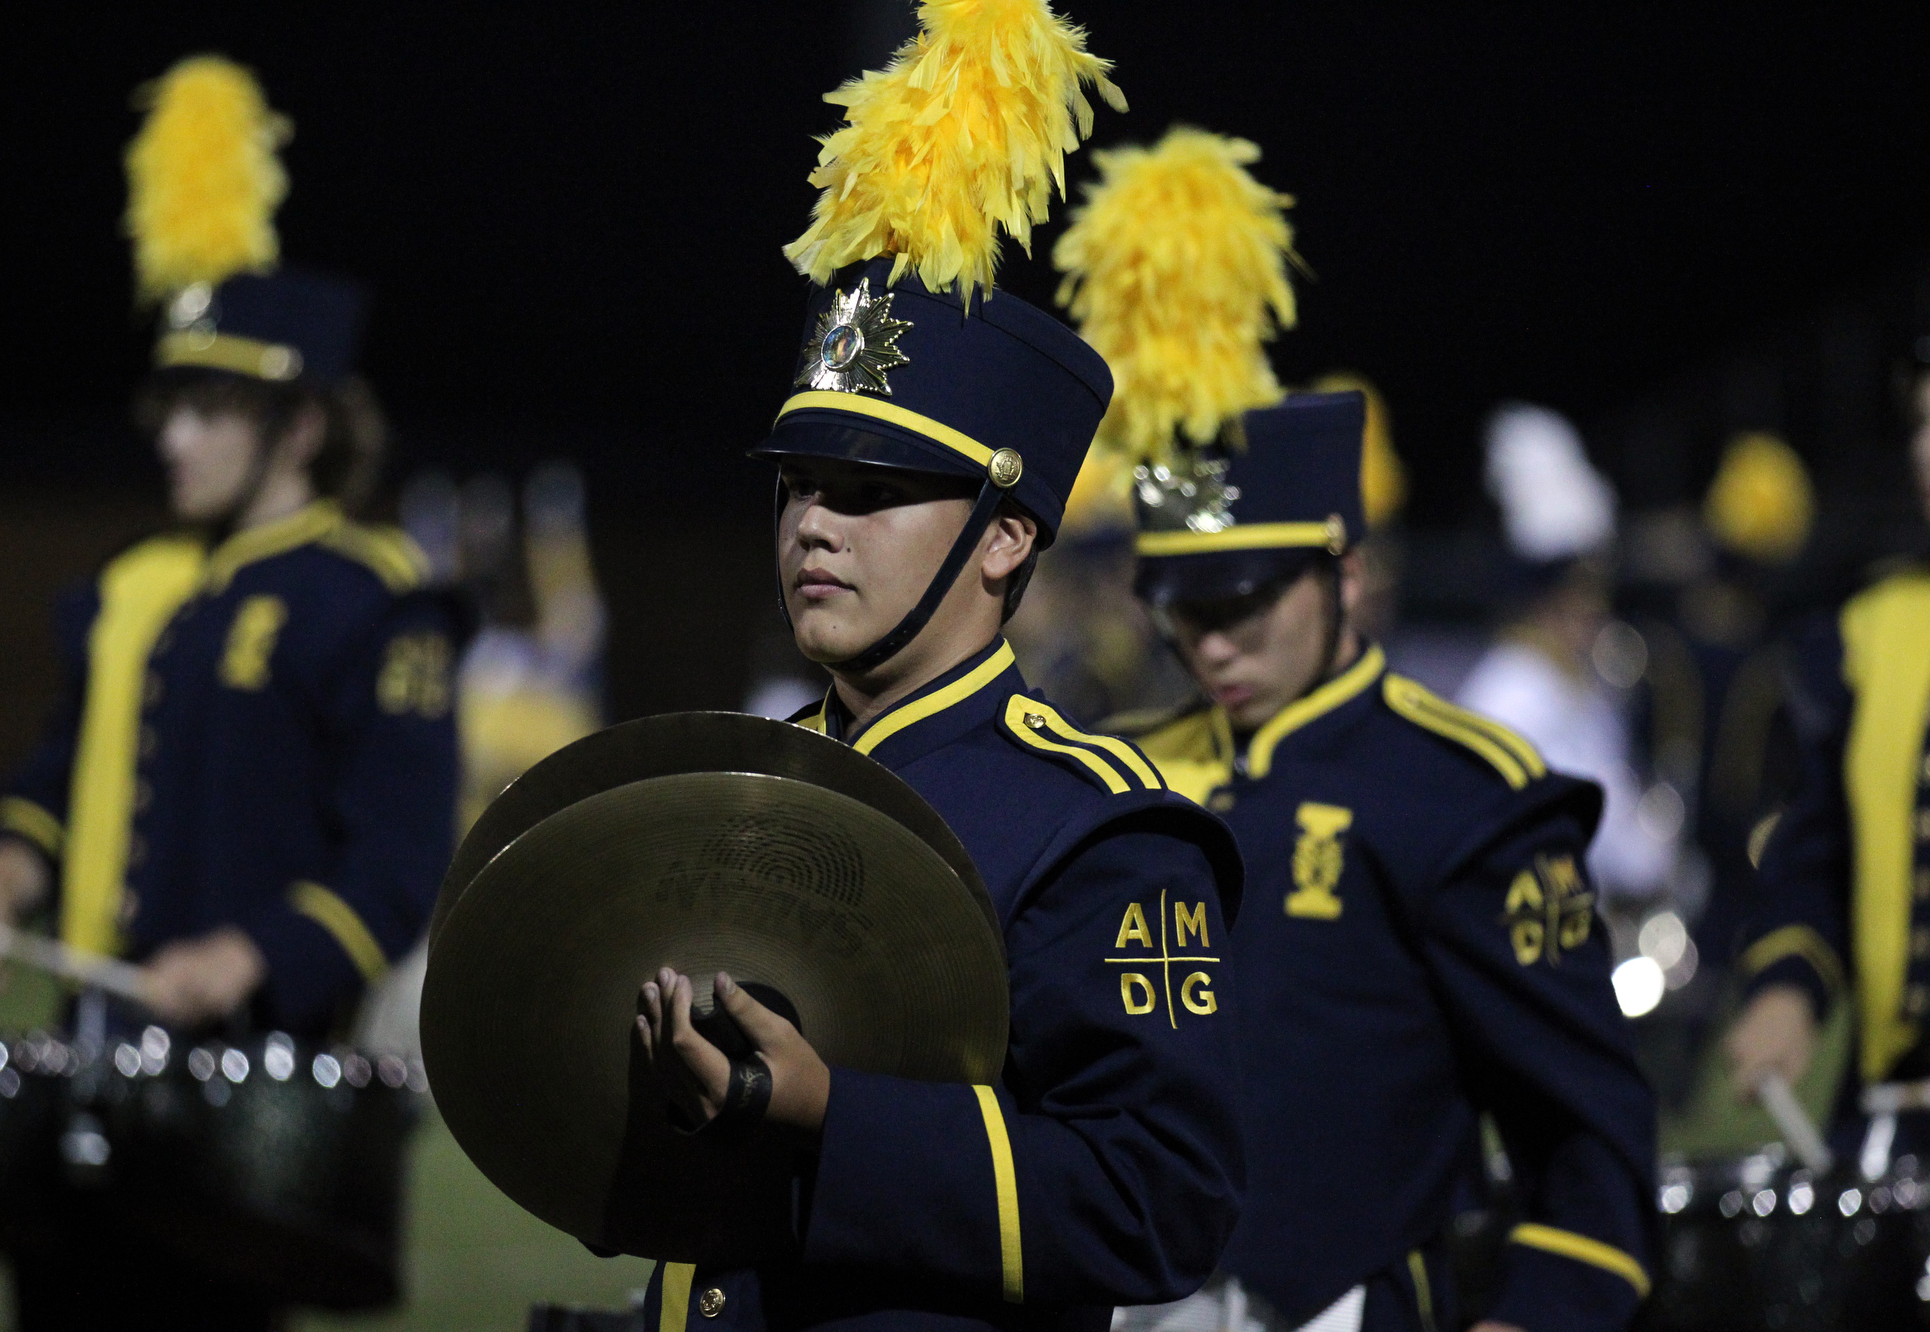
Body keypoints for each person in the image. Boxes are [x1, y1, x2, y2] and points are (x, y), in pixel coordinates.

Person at [628, 5, 1246, 1329]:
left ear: (1005, 535)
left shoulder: (1100, 827)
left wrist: (830, 1116)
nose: (813, 526)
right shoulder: (759, 770)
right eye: (798, 485)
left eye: (871, 490)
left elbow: (1159, 1202)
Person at [1054, 126, 1656, 1331]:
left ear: (1340, 569)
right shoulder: (1114, 774)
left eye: (1244, 603)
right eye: (1183, 611)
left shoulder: (1460, 794)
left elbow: (1586, 1139)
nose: (1210, 644)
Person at [0, 56, 458, 1330]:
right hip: (89, 1081)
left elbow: (394, 868)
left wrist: (244, 956)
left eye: (209, 408)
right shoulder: (134, 587)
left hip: (243, 1114)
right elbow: (61, 776)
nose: (170, 437)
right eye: (170, 404)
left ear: (300, 427)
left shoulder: (371, 598)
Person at [1723, 369, 1930, 1147]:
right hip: (1896, 1114)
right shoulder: (1873, 634)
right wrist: (1788, 985)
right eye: (1918, 423)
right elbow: (1819, 854)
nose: (1924, 451)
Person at [1459, 405, 1679, 906]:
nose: (1596, 609)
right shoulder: (1508, 695)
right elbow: (1600, 841)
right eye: (1581, 592)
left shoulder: (1575, 684)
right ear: (1544, 598)